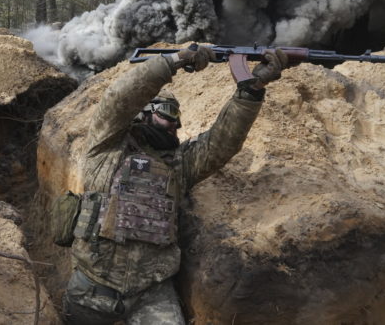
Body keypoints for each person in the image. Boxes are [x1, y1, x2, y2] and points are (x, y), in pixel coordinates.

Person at [63, 44, 288, 324]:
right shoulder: (106, 145)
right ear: (144, 111)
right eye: (169, 113)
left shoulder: (179, 163)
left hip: (152, 293)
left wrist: (252, 90)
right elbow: (119, 98)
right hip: (91, 286)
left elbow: (222, 142)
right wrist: (172, 62)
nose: (175, 124)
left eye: (178, 118)